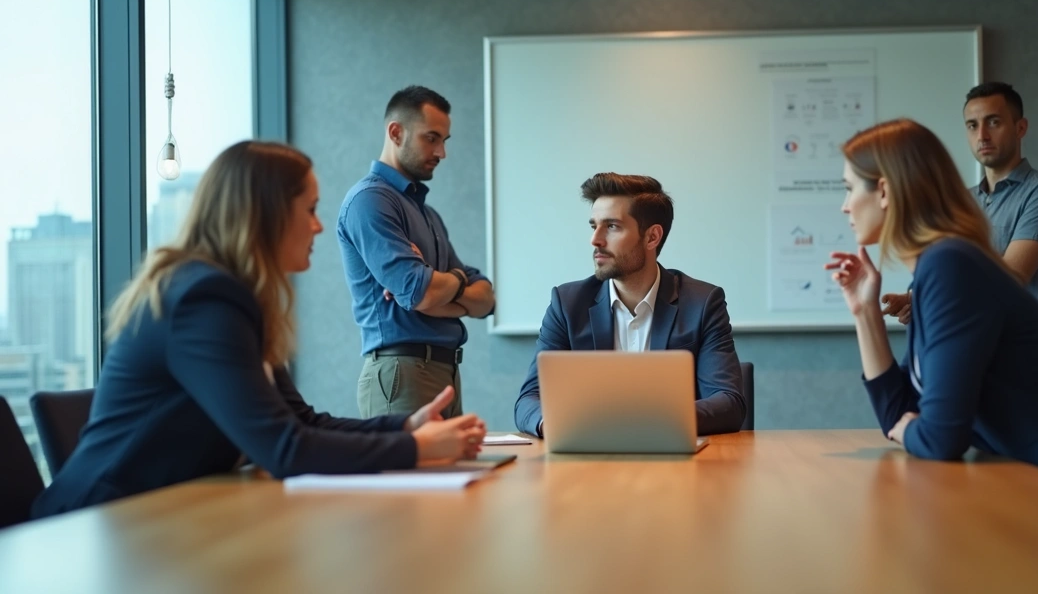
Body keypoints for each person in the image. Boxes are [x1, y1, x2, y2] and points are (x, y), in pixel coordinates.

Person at [32, 141, 486, 517]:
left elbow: (300, 421)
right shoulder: (203, 299)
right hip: (97, 526)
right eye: (309, 209)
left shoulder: (233, 296)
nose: (319, 225)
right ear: (266, 213)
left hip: (159, 518)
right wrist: (413, 449)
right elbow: (283, 449)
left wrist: (405, 426)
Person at [827, 119, 1038, 497]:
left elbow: (939, 437)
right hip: (1032, 489)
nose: (845, 206)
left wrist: (912, 429)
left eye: (848, 189)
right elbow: (899, 415)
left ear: (883, 191)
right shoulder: (937, 269)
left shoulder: (952, 267)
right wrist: (865, 312)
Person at [514, 173, 746, 437]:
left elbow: (729, 402)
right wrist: (555, 424)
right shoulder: (567, 304)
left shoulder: (702, 303)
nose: (596, 240)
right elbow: (528, 400)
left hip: (675, 461)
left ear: (651, 237)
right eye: (594, 226)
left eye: (612, 226)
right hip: (586, 462)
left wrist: (644, 422)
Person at [337, 86, 495, 419]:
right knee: (411, 473)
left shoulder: (427, 213)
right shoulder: (370, 201)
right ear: (396, 132)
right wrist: (453, 280)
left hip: (445, 371)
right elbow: (420, 292)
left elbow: (486, 300)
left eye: (445, 140)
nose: (441, 152)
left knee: (455, 471)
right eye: (432, 138)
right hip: (402, 371)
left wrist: (442, 287)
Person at [881, 82, 1038, 335]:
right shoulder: (962, 201)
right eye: (972, 125)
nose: (982, 135)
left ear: (1020, 128)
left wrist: (931, 297)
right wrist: (915, 298)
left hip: (1021, 353)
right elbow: (950, 274)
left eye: (993, 122)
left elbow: (1009, 280)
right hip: (967, 344)